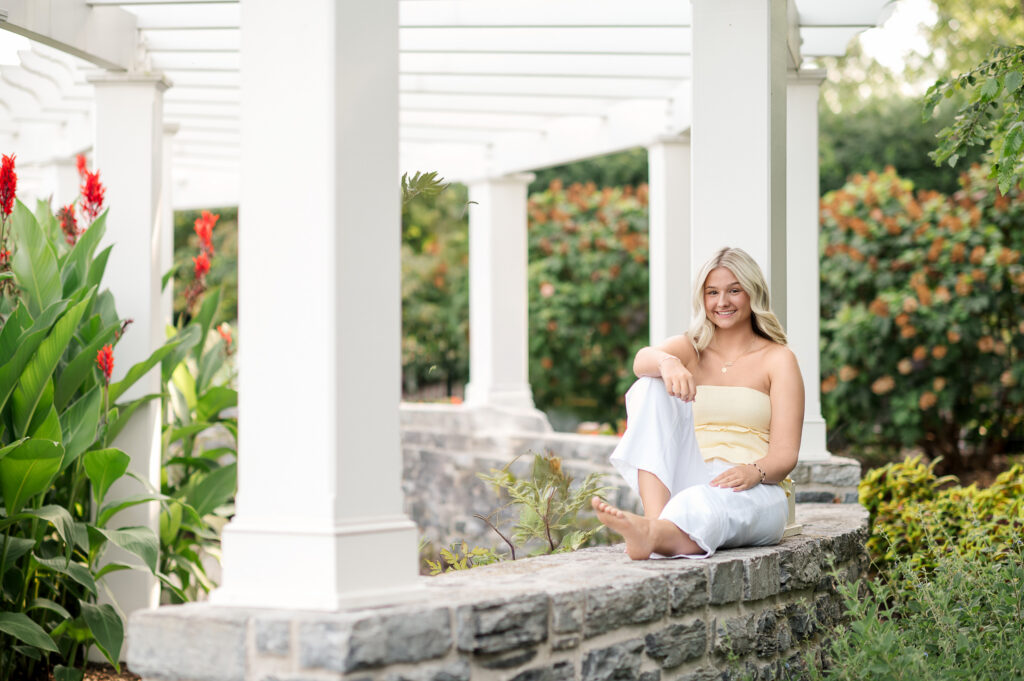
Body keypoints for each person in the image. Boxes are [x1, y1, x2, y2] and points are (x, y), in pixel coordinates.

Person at [592, 246, 804, 559]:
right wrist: (668, 363)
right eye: (712, 292)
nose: (722, 302)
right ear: (702, 299)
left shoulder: (778, 359)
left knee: (707, 504)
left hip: (754, 486)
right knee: (650, 384)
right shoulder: (692, 348)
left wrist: (753, 472)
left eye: (734, 290)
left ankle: (653, 534)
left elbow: (786, 454)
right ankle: (655, 521)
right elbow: (641, 360)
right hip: (693, 473)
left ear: (753, 293)